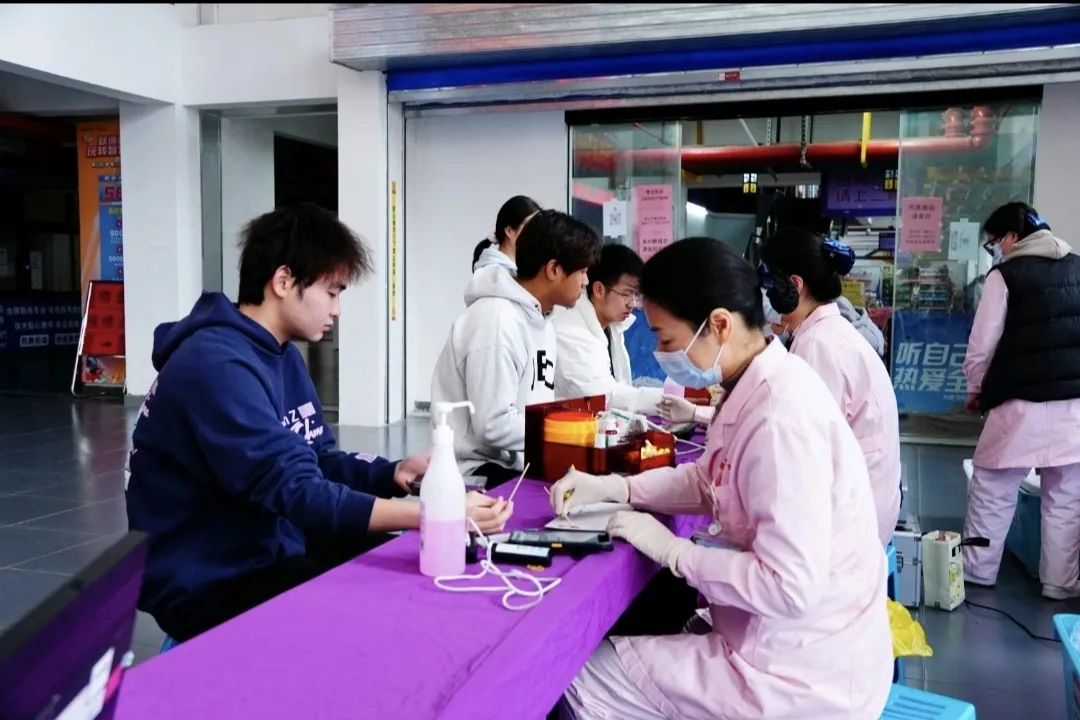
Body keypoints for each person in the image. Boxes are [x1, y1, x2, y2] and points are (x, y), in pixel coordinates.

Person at [126, 204, 512, 642]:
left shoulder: (280, 353)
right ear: (283, 281)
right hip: (209, 576)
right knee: (375, 607)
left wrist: (390, 473)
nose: (338, 309)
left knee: (402, 561)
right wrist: (431, 515)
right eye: (332, 292)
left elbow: (315, 459)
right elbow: (294, 488)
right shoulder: (215, 363)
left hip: (267, 538)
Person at [552, 237, 892, 720]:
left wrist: (675, 552)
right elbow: (710, 479)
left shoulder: (779, 418)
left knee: (579, 681)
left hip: (802, 675)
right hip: (800, 639)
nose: (661, 352)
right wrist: (619, 488)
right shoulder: (757, 383)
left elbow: (788, 588)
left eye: (667, 340)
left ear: (718, 325)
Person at [961, 202, 1080, 599]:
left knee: (992, 487)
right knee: (1065, 500)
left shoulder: (1006, 275)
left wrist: (975, 389)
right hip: (1073, 406)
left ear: (1013, 236)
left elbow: (982, 344)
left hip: (1018, 403)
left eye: (996, 242)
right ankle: (1060, 583)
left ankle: (977, 571)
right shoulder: (1078, 268)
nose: (997, 250)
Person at [432, 209, 601, 486]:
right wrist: (570, 429)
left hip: (520, 462)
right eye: (582, 271)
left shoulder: (542, 321)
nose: (585, 282)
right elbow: (493, 426)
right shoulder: (496, 321)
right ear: (554, 270)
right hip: (478, 473)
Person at [758, 227, 901, 545]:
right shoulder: (829, 330)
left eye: (768, 285)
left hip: (853, 523)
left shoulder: (818, 345)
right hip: (868, 501)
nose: (765, 296)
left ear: (795, 284)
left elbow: (808, 452)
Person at [551, 243, 662, 414]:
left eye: (635, 294)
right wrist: (666, 400)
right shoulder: (570, 330)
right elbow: (605, 397)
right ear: (599, 290)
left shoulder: (612, 324)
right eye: (626, 294)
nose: (632, 303)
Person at [471, 195, 542, 274]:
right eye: (530, 226)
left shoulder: (509, 271)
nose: (536, 233)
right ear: (509, 231)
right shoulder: (495, 273)